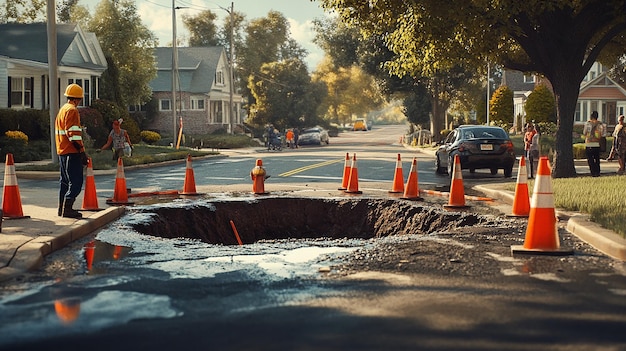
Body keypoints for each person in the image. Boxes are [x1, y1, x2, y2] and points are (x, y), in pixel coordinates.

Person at [55, 83, 89, 218]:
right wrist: (81, 152)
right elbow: (73, 134)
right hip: (72, 151)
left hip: (62, 151)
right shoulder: (73, 111)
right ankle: (68, 209)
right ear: (77, 99)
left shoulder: (63, 109)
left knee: (64, 181)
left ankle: (61, 208)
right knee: (75, 182)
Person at [582, 111, 606, 177]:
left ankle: (593, 172)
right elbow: (603, 134)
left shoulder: (587, 124)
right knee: (597, 159)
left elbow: (584, 132)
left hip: (589, 143)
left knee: (590, 159)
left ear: (591, 116)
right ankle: (597, 172)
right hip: (597, 144)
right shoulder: (601, 124)